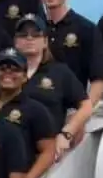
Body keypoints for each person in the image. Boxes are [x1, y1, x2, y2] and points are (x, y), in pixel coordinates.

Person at [37, 0, 103, 143]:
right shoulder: (32, 30)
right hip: (36, 113)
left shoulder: (86, 29)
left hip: (70, 116)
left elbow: (98, 81)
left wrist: (79, 118)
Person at [14, 14, 86, 151]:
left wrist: (67, 133)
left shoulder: (60, 72)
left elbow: (86, 106)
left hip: (47, 152)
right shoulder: (5, 72)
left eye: (36, 35)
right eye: (23, 35)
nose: (29, 38)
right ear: (16, 42)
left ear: (45, 41)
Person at [0, 50, 61, 178]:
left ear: (25, 76)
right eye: (2, 68)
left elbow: (48, 151)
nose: (8, 73)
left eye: (15, 69)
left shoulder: (36, 110)